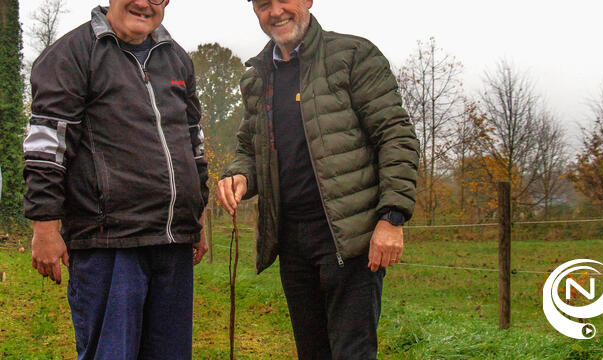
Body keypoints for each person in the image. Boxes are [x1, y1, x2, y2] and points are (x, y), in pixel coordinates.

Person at [216, 0, 420, 358]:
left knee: (351, 353)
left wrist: (392, 217)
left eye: (284, 0)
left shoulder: (354, 55)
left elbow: (395, 136)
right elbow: (250, 148)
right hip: (292, 243)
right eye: (263, 4)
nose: (275, 11)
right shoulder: (257, 77)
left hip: (350, 240)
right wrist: (239, 175)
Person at [23, 0, 209, 358]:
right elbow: (47, 145)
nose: (143, 3)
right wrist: (44, 228)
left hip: (172, 244)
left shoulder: (177, 59)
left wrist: (195, 218)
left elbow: (193, 143)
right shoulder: (72, 54)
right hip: (108, 244)